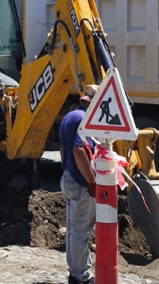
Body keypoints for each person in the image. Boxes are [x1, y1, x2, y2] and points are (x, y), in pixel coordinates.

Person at [59, 87, 96, 284]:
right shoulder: (85, 120)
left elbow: (63, 151)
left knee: (73, 229)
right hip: (80, 183)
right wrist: (91, 181)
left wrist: (68, 172)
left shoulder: (69, 117)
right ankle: (82, 277)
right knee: (82, 230)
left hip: (68, 178)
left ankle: (75, 271)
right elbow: (78, 150)